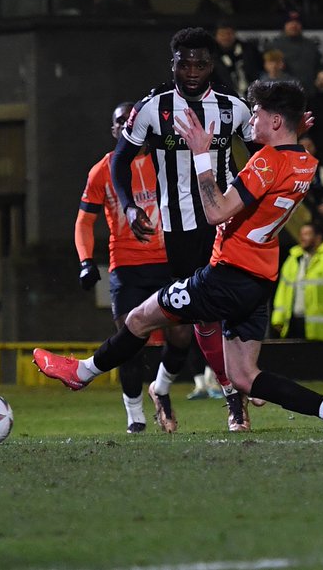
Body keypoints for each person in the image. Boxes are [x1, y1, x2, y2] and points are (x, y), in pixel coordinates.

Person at [35, 79, 323, 433]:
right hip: (259, 279)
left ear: (275, 121)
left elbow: (216, 212)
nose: (250, 122)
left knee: (138, 319)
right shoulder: (305, 161)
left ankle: (81, 372)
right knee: (244, 376)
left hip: (226, 275)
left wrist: (200, 153)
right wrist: (291, 131)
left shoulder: (267, 163)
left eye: (256, 115)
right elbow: (281, 153)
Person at [110, 27, 255, 433]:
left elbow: (263, 155)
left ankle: (235, 393)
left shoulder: (233, 108)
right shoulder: (152, 107)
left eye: (201, 63)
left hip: (227, 221)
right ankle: (218, 394)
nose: (192, 70)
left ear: (213, 65)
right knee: (192, 323)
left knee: (228, 310)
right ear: (172, 63)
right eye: (184, 62)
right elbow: (120, 161)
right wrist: (128, 204)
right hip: (179, 230)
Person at [74, 102, 182, 432]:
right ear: (113, 131)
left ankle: (161, 389)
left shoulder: (167, 161)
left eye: (131, 121)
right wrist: (85, 262)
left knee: (182, 335)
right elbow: (84, 222)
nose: (126, 127)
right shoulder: (102, 170)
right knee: (130, 342)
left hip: (168, 263)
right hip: (127, 268)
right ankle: (134, 412)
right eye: (119, 122)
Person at [264, 11, 321, 87]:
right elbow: (266, 70)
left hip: (308, 92)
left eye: (297, 22)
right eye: (290, 22)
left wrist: (322, 73)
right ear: (284, 25)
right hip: (283, 92)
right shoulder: (274, 46)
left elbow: (319, 66)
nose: (294, 25)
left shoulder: (310, 46)